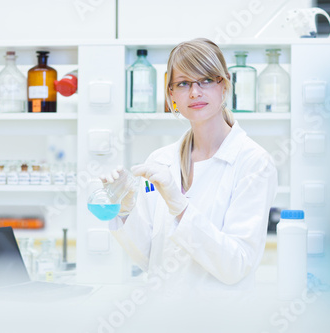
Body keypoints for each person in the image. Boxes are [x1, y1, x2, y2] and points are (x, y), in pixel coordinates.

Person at [101, 38, 278, 294]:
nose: (195, 92)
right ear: (171, 93)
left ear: (224, 84)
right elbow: (149, 259)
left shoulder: (253, 162)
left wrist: (180, 208)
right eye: (183, 83)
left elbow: (236, 265)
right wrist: (126, 210)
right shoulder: (161, 160)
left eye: (206, 80)